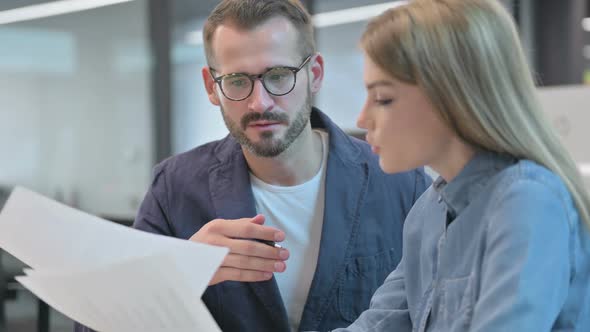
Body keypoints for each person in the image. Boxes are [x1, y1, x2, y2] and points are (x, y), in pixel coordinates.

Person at [75, 1, 428, 331]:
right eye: (237, 81)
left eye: (278, 76)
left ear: (315, 74)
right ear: (211, 87)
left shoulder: (400, 181)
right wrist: (182, 268)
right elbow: (100, 321)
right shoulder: (175, 186)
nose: (259, 102)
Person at [329, 0, 590, 331]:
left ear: (451, 96)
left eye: (383, 98)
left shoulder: (527, 202)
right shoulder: (428, 210)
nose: (363, 118)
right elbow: (378, 325)